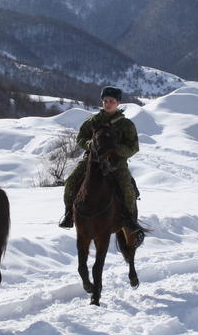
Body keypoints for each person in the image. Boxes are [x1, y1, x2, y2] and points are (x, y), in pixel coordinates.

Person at [58, 86, 141, 232]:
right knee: (71, 181)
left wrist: (116, 149)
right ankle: (69, 214)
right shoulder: (93, 121)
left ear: (118, 103)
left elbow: (133, 147)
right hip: (92, 160)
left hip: (116, 162)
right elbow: (81, 138)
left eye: (111, 101)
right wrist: (90, 144)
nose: (107, 103)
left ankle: (129, 219)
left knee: (127, 189)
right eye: (105, 101)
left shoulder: (126, 125)